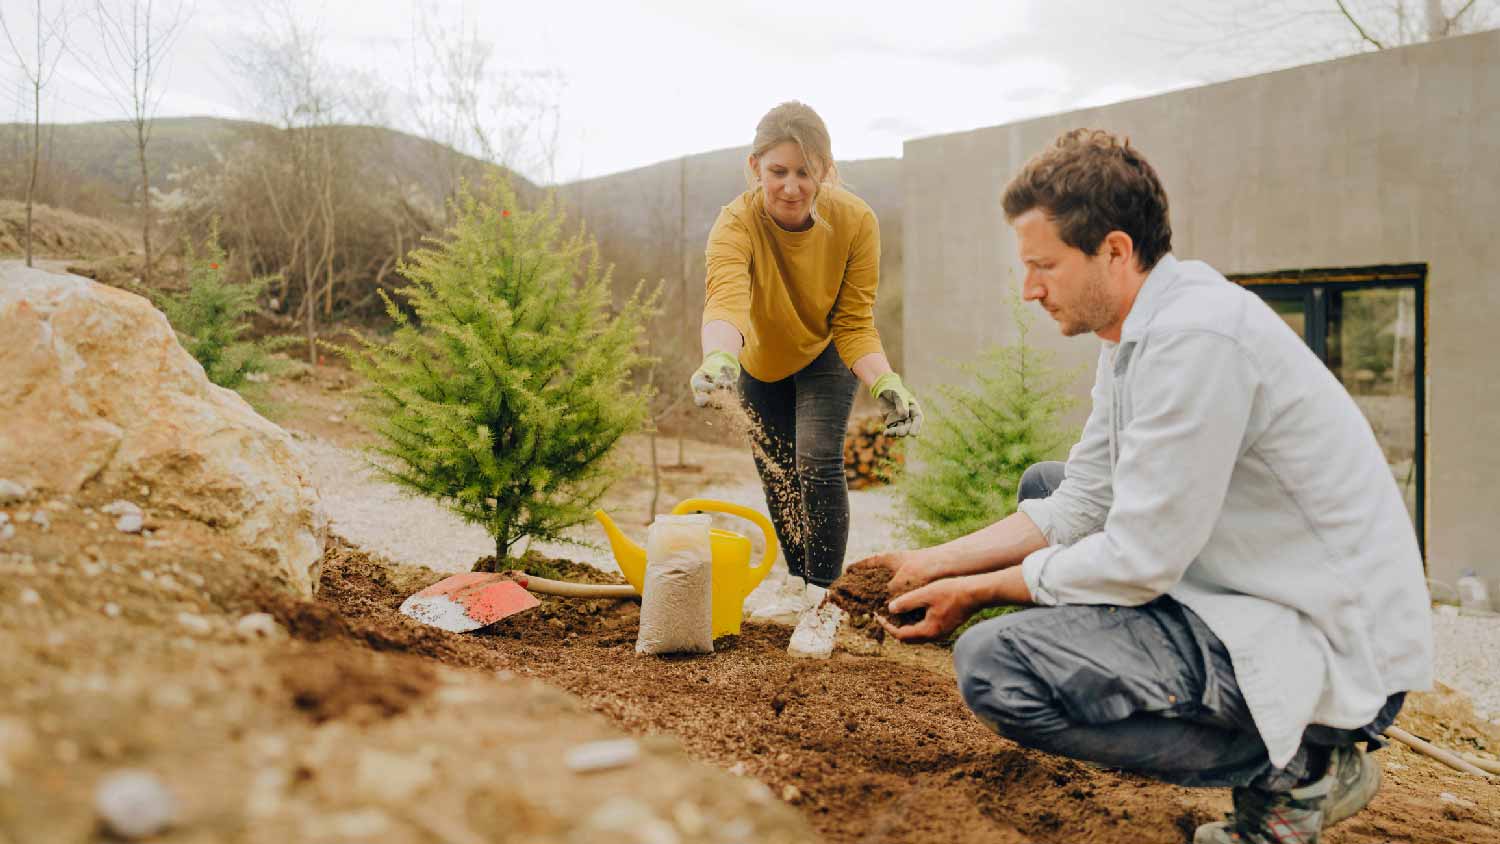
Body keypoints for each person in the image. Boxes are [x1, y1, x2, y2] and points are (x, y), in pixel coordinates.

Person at [860, 129, 1432, 843]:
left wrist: (978, 591)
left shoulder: (1198, 340)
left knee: (995, 667)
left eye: (1044, 265)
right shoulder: (1134, 333)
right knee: (1049, 482)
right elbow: (1084, 498)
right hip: (1254, 580)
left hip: (1332, 637)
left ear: (1116, 250)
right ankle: (1285, 748)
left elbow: (1140, 558)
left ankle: (1300, 769)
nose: (1029, 288)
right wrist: (934, 562)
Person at [692, 101, 922, 658]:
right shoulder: (735, 223)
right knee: (775, 469)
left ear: (824, 169)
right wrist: (719, 359)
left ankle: (825, 602)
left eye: (804, 171)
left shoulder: (856, 221)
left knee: (815, 459)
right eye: (778, 172)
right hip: (757, 360)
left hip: (825, 352)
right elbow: (727, 300)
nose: (791, 187)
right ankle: (798, 584)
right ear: (755, 168)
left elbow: (854, 322)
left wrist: (886, 380)